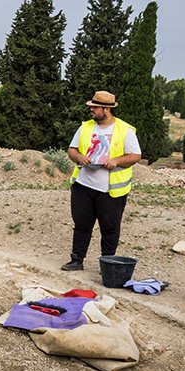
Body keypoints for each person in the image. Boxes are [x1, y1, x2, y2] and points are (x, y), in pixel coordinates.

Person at [62, 90, 141, 271]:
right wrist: (79, 157)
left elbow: (135, 156)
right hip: (83, 185)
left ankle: (107, 264)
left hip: (110, 190)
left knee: (109, 228)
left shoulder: (125, 131)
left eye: (94, 107)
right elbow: (72, 150)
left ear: (106, 109)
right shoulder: (85, 127)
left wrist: (116, 161)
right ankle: (77, 259)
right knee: (82, 225)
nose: (91, 110)